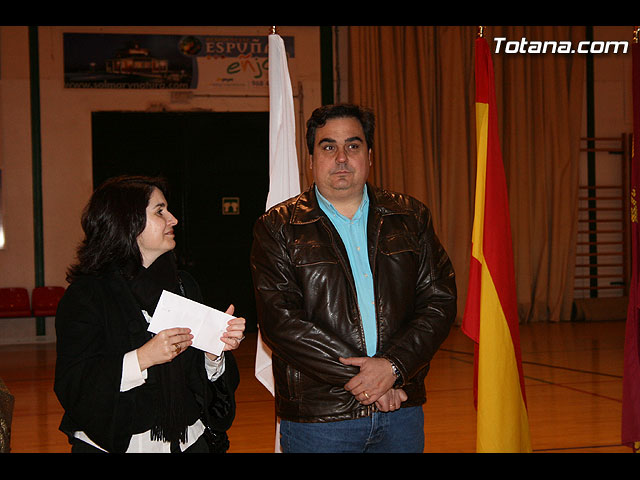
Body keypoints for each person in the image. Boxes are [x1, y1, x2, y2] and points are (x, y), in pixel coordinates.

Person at [250, 104, 457, 453]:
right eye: (328, 146)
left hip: (400, 412)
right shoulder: (277, 227)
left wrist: (393, 367)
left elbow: (439, 302)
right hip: (320, 419)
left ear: (370, 155)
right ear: (311, 159)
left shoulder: (411, 217)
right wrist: (372, 380)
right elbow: (280, 322)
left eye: (353, 145)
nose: (342, 157)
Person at [54, 175, 245, 453]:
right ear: (127, 222)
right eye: (160, 211)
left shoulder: (183, 285)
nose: (173, 219)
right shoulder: (87, 295)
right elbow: (74, 384)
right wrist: (143, 358)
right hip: (116, 445)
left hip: (189, 443)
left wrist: (213, 353)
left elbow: (202, 386)